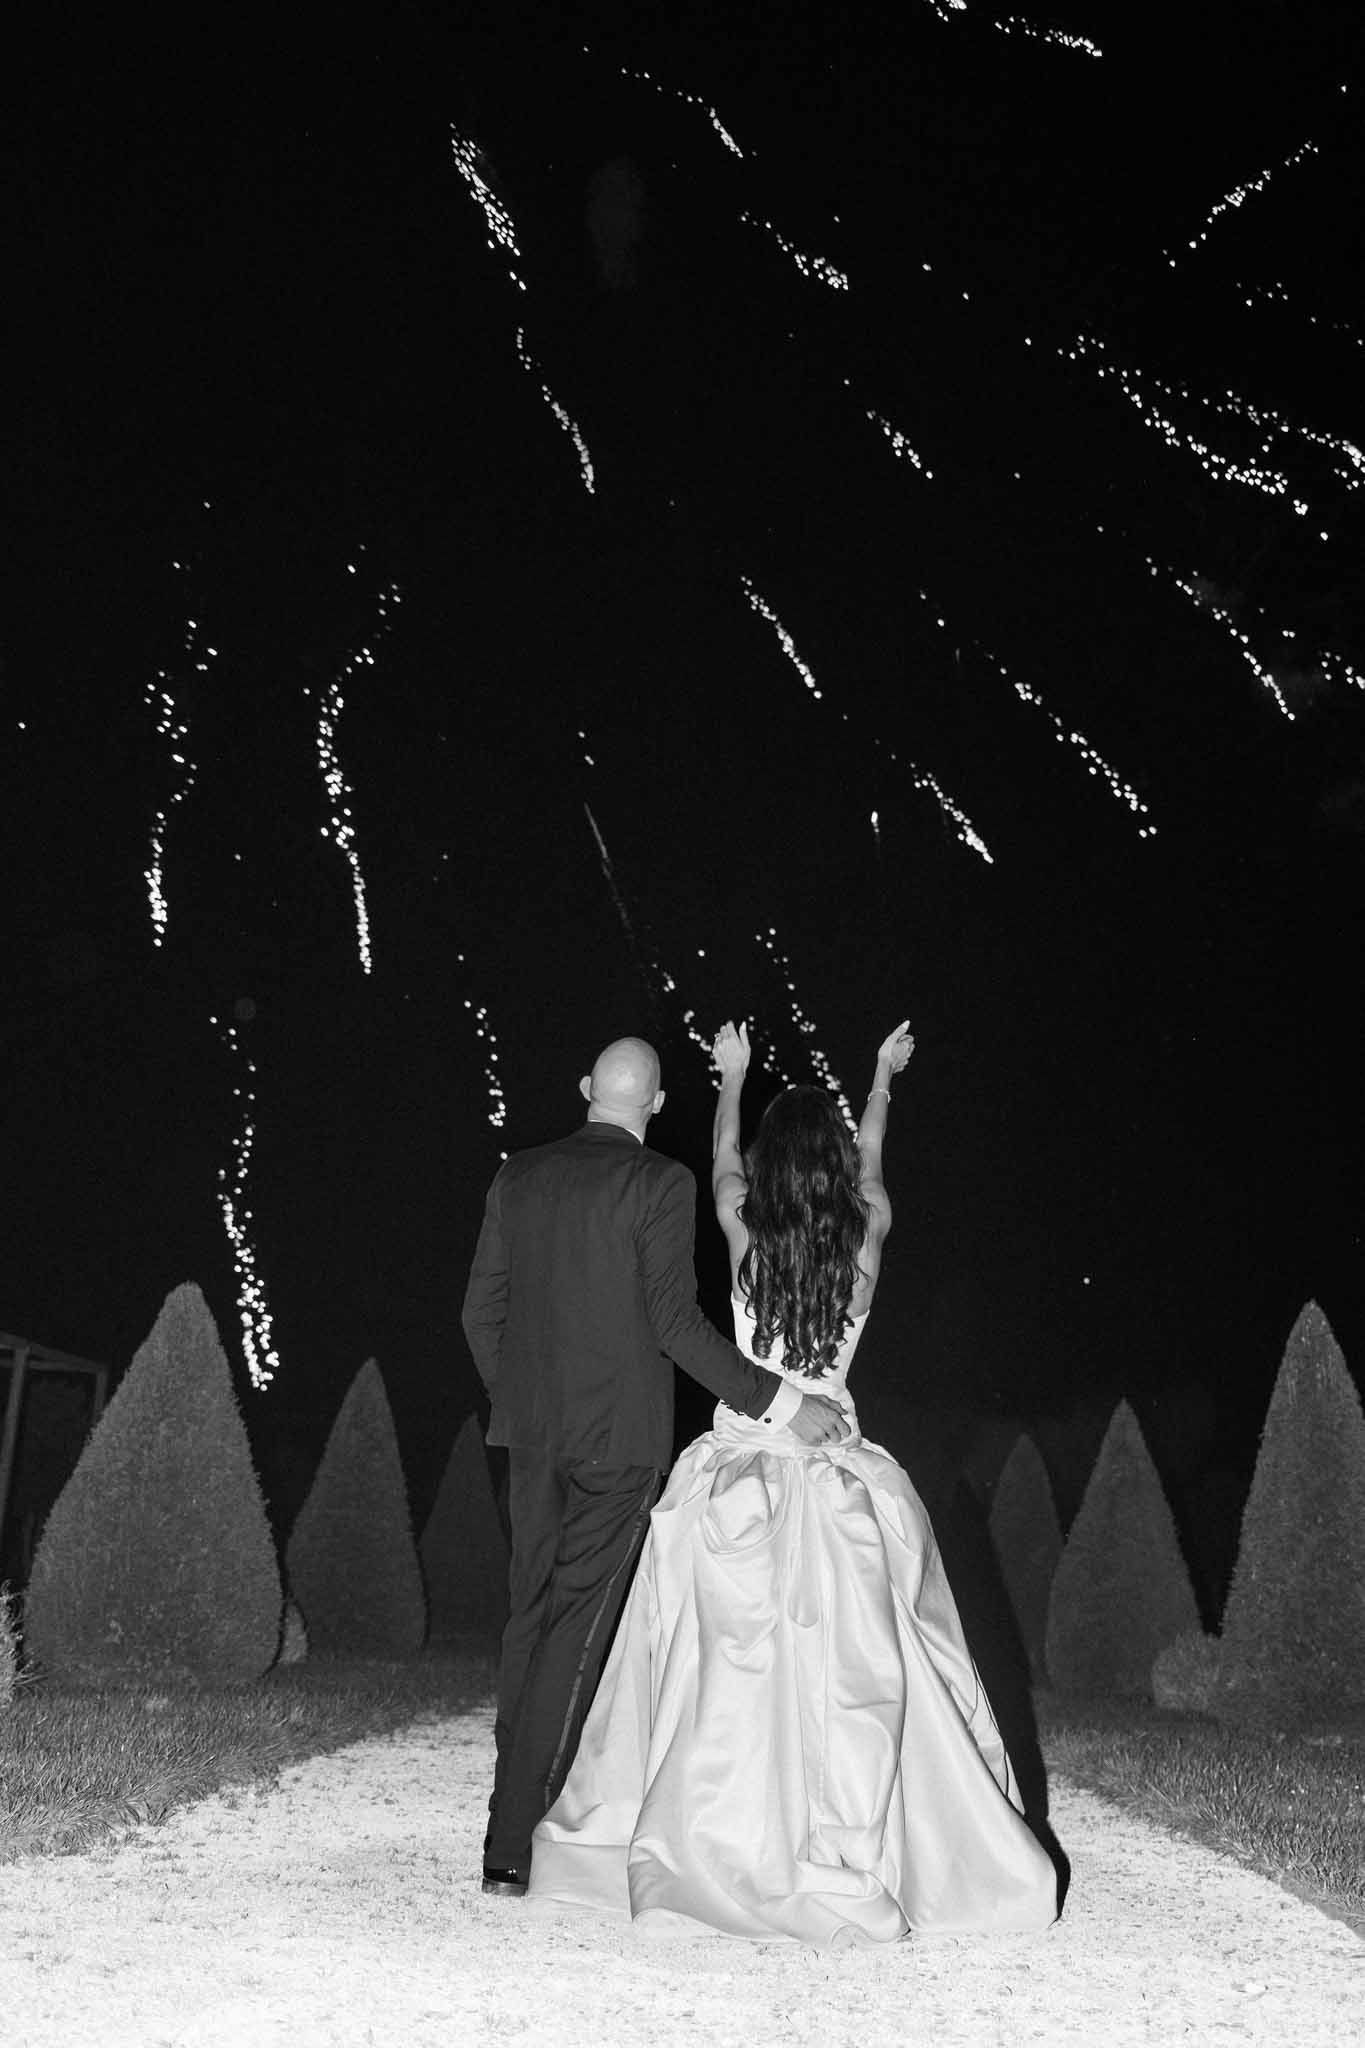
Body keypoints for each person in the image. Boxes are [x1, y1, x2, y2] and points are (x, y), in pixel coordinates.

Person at [527, 1019, 1059, 1945]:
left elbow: (723, 1150)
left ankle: (709, 1840)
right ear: (840, 1172)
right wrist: (882, 1080)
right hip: (842, 1484)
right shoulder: (869, 1229)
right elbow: (873, 1158)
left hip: (738, 1476)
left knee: (712, 1674)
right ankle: (858, 1849)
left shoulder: (741, 1223)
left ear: (770, 1170)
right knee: (853, 1681)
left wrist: (731, 1077)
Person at [461, 1034, 850, 1898]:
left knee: (528, 1616)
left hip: (530, 1438)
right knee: (575, 1630)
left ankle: (505, 1810)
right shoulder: (658, 1183)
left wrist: (520, 1398)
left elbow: (478, 1312)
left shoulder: (515, 1175)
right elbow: (675, 1327)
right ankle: (514, 1839)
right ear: (658, 1103)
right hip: (617, 1443)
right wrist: (784, 1402)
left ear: (584, 1087)